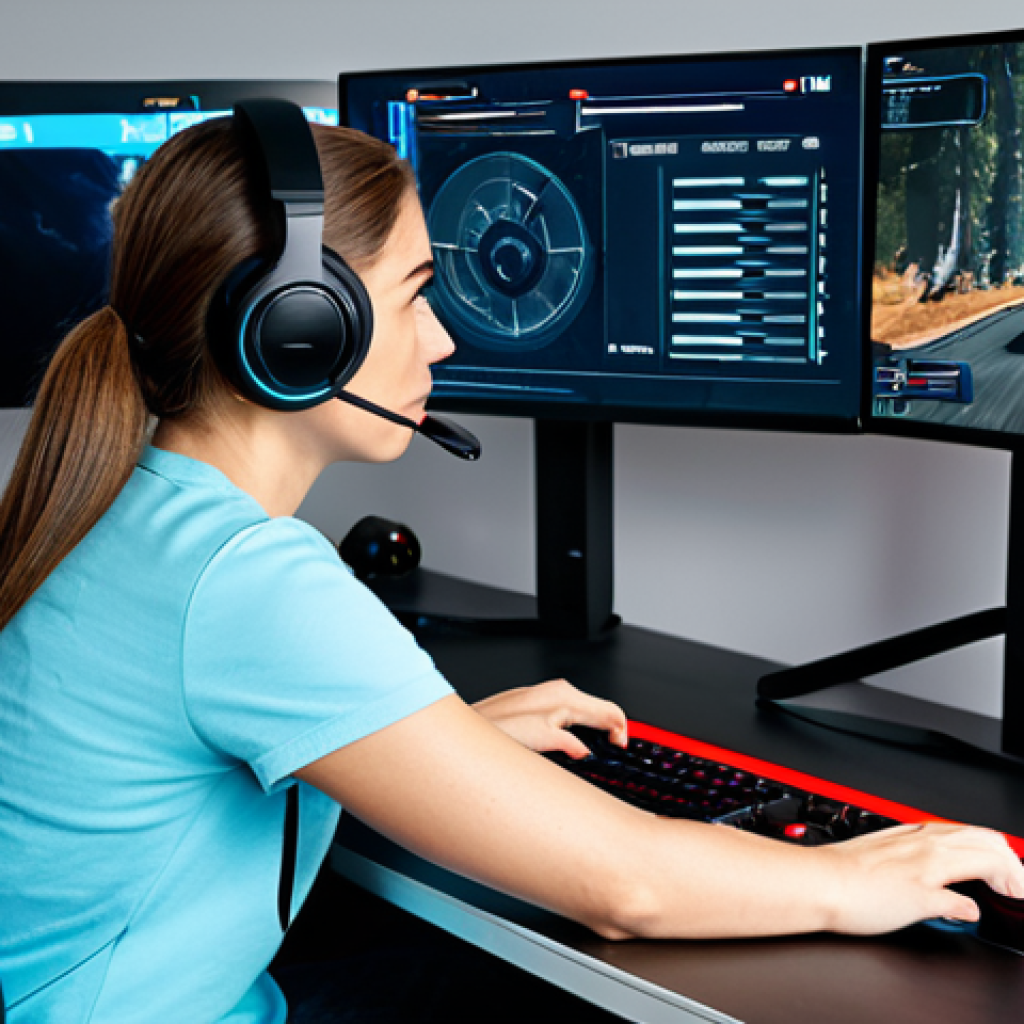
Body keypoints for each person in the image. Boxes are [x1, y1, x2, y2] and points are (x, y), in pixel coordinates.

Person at [1, 107, 1022, 1024]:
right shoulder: (247, 580)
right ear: (301, 330)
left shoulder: (123, 505)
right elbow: (628, 887)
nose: (442, 339)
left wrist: (440, 748)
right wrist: (855, 876)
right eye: (413, 296)